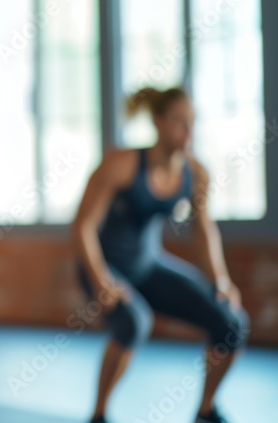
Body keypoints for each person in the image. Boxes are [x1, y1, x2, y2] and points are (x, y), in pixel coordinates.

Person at [72, 87, 247, 423]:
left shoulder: (195, 174)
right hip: (102, 267)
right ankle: (98, 415)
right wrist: (100, 280)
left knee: (231, 322)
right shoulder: (121, 164)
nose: (189, 132)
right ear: (157, 122)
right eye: (180, 122)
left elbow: (203, 230)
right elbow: (82, 226)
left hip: (147, 265)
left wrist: (221, 279)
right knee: (134, 322)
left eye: (192, 122)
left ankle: (206, 410)